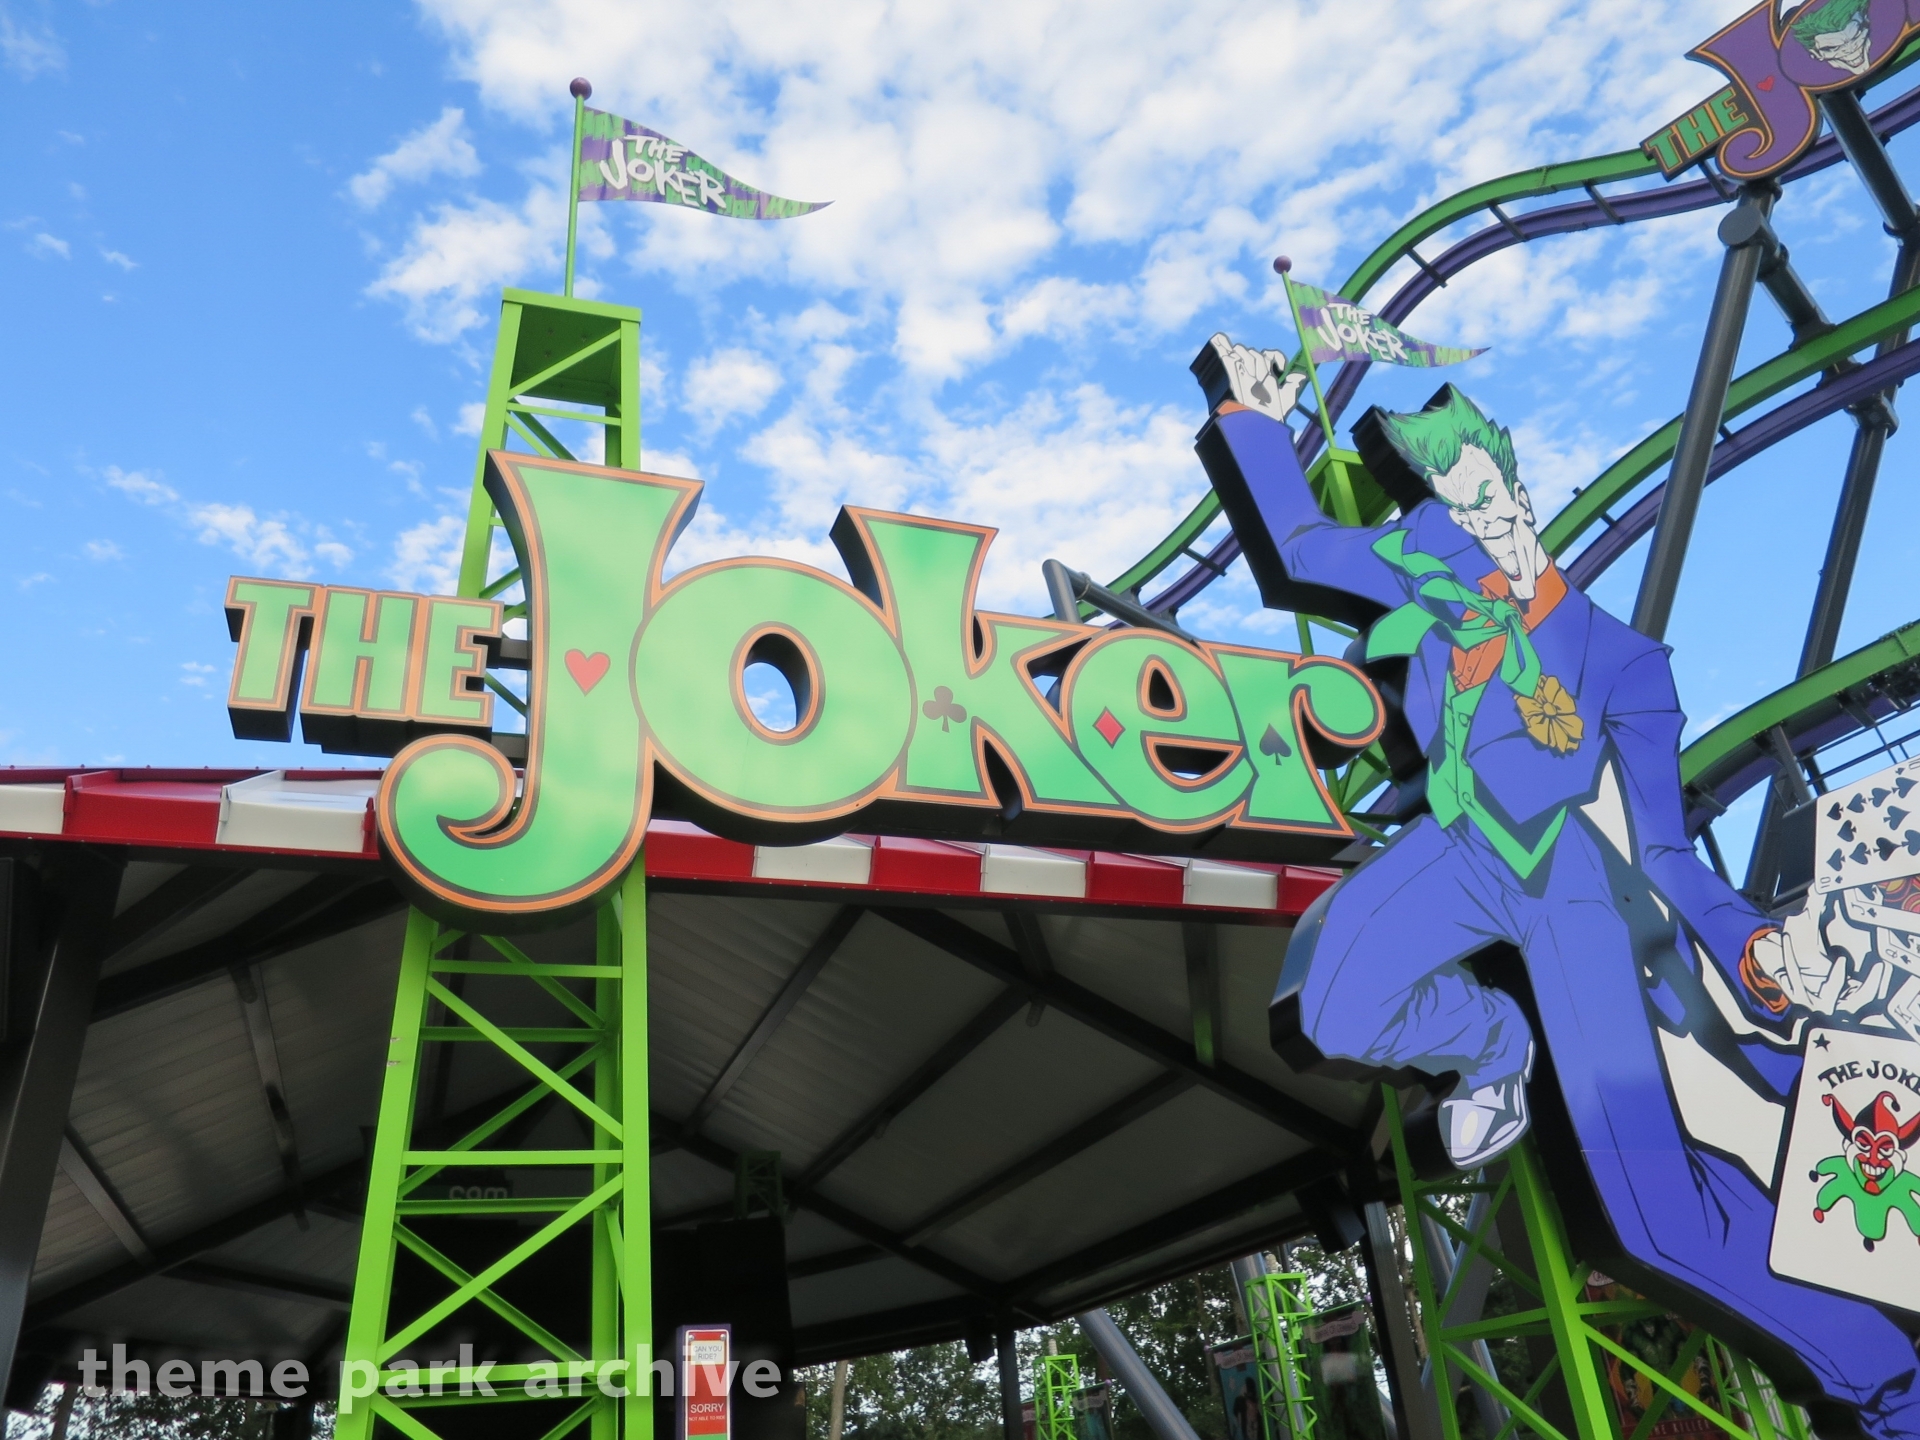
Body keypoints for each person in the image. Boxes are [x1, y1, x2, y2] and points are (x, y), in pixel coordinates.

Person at [1190, 335, 1918, 1440]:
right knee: (1332, 997)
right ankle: (1492, 1047)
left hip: (1573, 891)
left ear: (1518, 490)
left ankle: (1881, 1383)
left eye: (1487, 504)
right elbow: (1294, 544)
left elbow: (1668, 854)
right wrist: (1245, 410)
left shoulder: (1626, 663)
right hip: (1465, 851)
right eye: (1450, 513)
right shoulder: (1431, 575)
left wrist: (1747, 948)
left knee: (1664, 1226)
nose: (1477, 531)